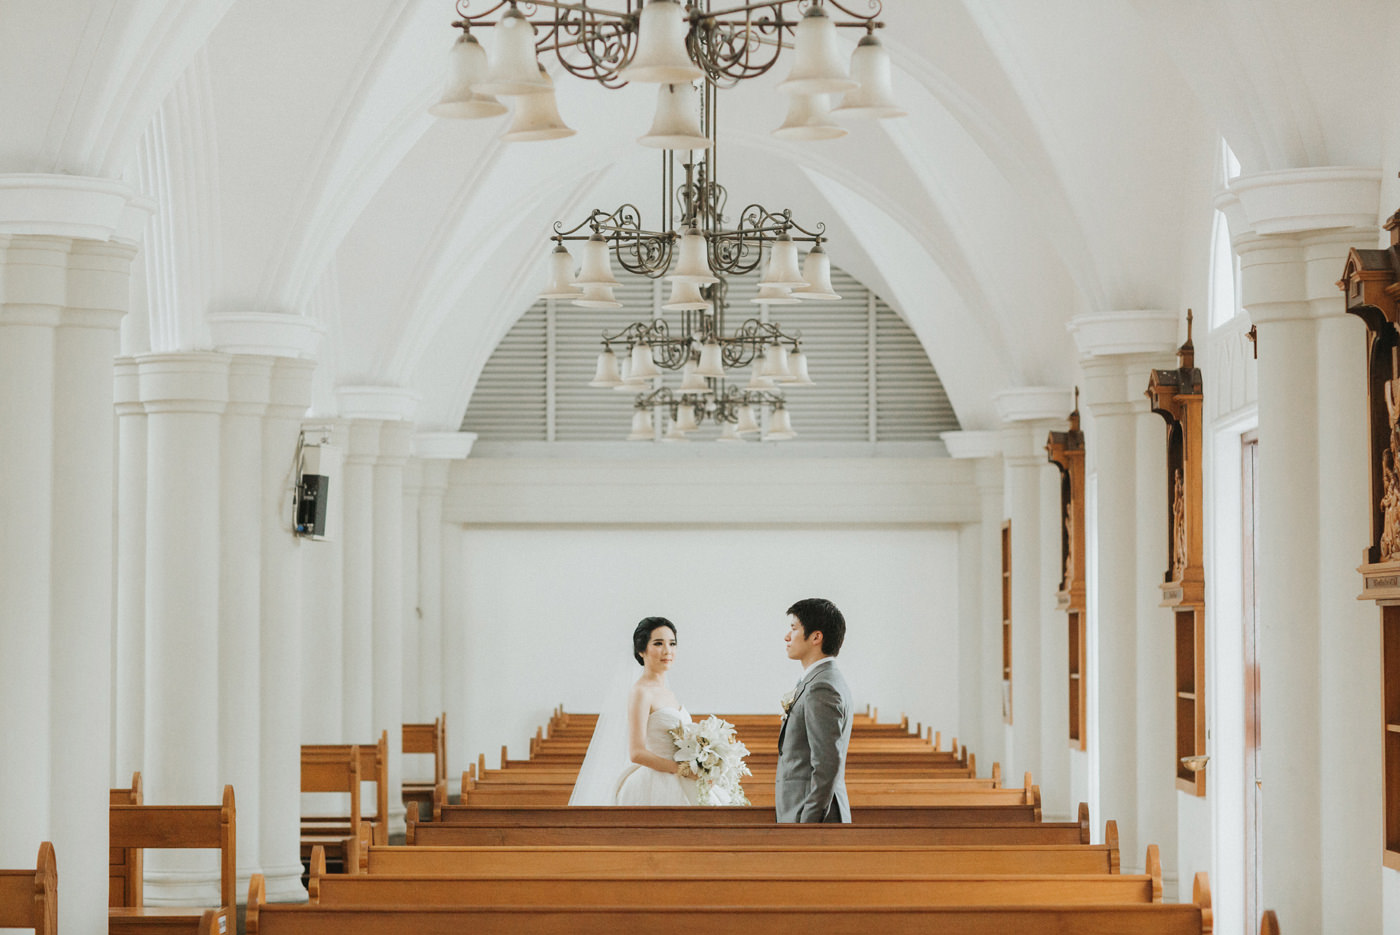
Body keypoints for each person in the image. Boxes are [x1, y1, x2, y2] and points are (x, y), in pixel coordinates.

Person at [568, 617, 699, 806]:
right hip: (657, 781)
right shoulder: (641, 692)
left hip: (680, 775)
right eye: (658, 643)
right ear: (641, 650)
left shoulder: (668, 693)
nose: (667, 651)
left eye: (672, 644)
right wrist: (682, 769)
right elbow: (637, 753)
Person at [775, 597, 852, 823]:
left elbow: (827, 764)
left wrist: (809, 823)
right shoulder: (820, 680)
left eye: (794, 628)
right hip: (802, 812)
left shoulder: (822, 686)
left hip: (811, 817)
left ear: (816, 637)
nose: (787, 637)